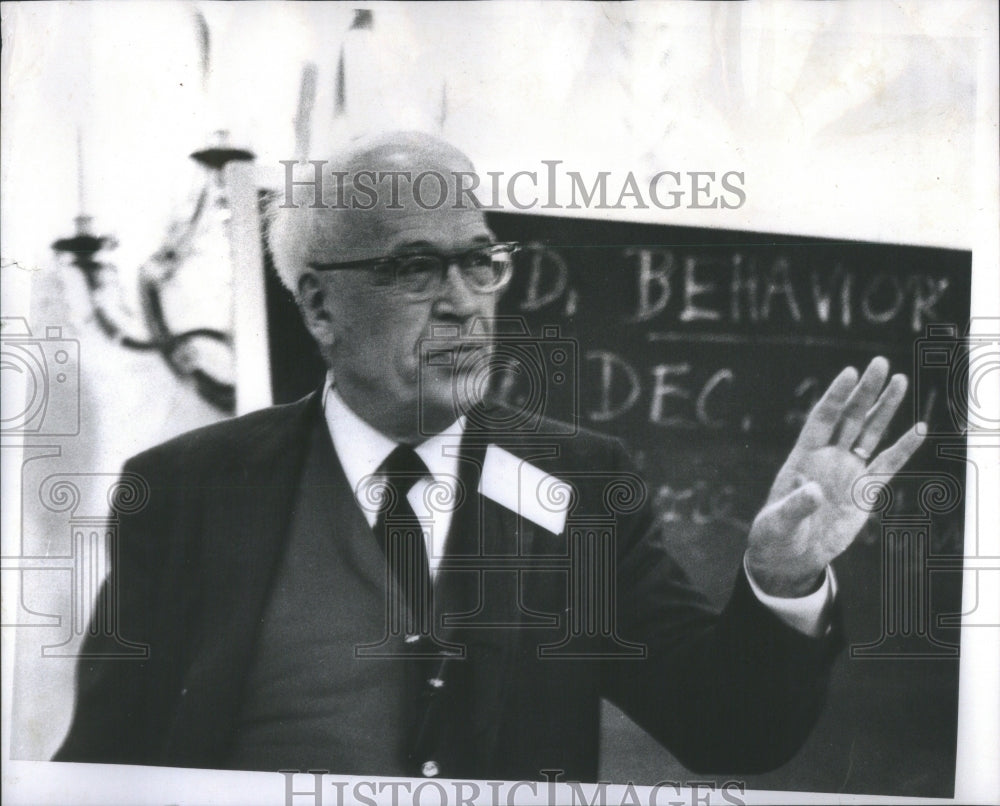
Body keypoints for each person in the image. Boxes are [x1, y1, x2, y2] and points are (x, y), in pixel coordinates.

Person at [54, 131, 924, 782]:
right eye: (416, 269)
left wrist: (782, 579)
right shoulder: (187, 491)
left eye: (481, 262)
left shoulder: (580, 484)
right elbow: (104, 765)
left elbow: (727, 730)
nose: (465, 303)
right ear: (319, 308)